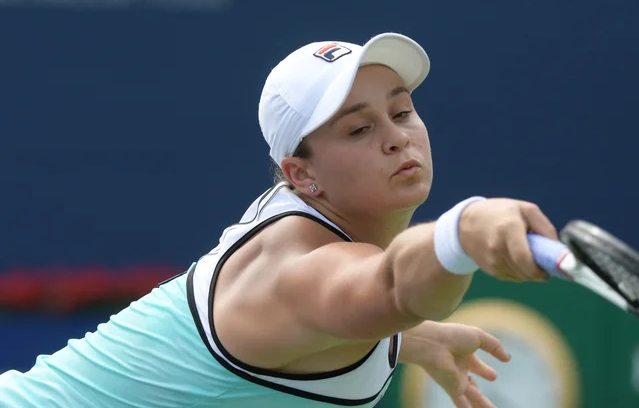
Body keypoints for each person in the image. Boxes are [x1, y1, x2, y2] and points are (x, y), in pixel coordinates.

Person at [0, 32, 559, 408]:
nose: (396, 137)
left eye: (401, 109)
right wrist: (462, 229)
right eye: (359, 129)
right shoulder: (295, 269)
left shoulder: (300, 242)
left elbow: (344, 309)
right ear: (301, 175)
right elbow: (388, 284)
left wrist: (402, 339)